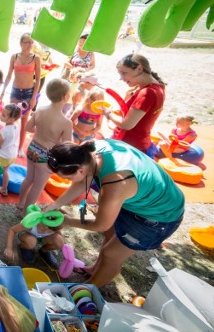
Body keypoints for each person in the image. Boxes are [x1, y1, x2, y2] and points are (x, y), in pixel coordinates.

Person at [44, 140, 185, 287]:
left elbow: (101, 224)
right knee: (111, 235)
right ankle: (95, 270)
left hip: (160, 215)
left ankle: (90, 287)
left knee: (110, 254)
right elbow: (83, 180)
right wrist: (56, 204)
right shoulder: (87, 151)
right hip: (139, 201)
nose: (67, 181)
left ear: (79, 170)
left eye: (67, 178)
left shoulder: (115, 184)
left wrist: (66, 221)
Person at [17, 79, 72, 212]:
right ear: (66, 96)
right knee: (37, 186)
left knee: (28, 178)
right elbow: (66, 146)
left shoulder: (40, 110)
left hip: (32, 149)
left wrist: (41, 131)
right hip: (46, 156)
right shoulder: (65, 122)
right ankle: (25, 213)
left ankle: (20, 203)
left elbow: (28, 127)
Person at [103, 54, 166, 158]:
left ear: (139, 69)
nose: (121, 78)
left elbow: (127, 124)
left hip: (128, 146)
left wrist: (108, 113)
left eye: (124, 73)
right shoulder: (159, 86)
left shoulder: (146, 93)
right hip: (141, 144)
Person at [0, 33, 42, 157]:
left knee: (24, 121)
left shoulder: (36, 58)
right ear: (21, 43)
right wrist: (2, 92)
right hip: (15, 91)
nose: (30, 45)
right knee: (10, 119)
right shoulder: (14, 56)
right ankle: (6, 144)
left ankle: (19, 148)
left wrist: (34, 97)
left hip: (28, 93)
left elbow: (38, 79)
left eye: (31, 42)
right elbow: (8, 75)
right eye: (27, 42)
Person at [0, 104, 22, 196]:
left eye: (4, 115)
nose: (1, 115)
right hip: (12, 155)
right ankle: (4, 189)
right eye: (2, 113)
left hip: (3, 155)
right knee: (5, 171)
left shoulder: (5, 130)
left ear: (11, 119)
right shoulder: (16, 126)